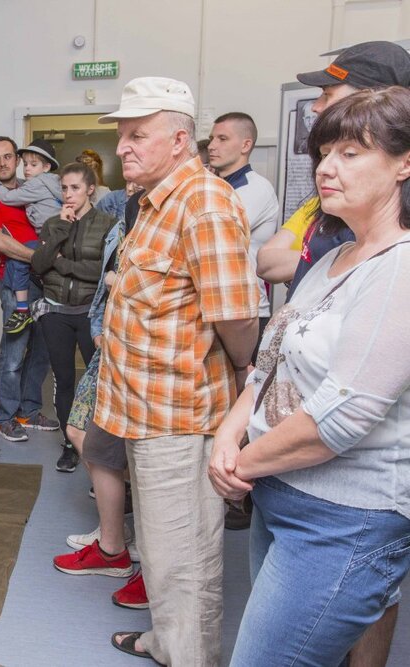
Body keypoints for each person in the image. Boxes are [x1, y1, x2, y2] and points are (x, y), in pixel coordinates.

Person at [210, 87, 410, 667]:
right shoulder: (331, 259)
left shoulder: (399, 269)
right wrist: (229, 433)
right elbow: (268, 367)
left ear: (404, 163)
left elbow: (341, 419)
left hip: (346, 520)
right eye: (324, 152)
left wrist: (239, 464)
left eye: (351, 152)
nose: (326, 167)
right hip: (282, 492)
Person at [94, 77, 259, 665]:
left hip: (179, 417)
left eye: (138, 135)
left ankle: (188, 655)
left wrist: (243, 379)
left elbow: (236, 317)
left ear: (180, 139)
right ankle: (165, 641)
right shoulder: (156, 199)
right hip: (144, 410)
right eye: (122, 136)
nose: (124, 149)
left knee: (183, 561)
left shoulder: (204, 203)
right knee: (161, 552)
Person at [54, 190, 148, 610]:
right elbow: (102, 286)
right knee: (84, 433)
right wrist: (97, 325)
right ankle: (113, 540)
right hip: (109, 343)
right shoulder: (122, 220)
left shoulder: (188, 213)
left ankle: (127, 546)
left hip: (142, 355)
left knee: (137, 455)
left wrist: (118, 281)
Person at [258, 41, 410, 297]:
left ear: (372, 99)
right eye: (325, 154)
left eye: (328, 94)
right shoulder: (335, 201)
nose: (316, 106)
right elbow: (267, 261)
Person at [29, 161, 112, 462]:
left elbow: (103, 272)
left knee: (96, 383)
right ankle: (69, 443)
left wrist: (62, 264)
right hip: (56, 314)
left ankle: (96, 445)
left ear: (90, 189)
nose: (68, 194)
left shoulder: (108, 224)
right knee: (63, 380)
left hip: (91, 314)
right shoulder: (54, 224)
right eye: (64, 187)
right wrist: (62, 229)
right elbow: (38, 266)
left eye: (75, 187)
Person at [0, 136, 56, 443]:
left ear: (17, 159)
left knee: (41, 352)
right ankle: (5, 418)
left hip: (46, 281)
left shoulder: (31, 187)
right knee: (13, 355)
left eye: (8, 156)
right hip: (15, 282)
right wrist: (40, 256)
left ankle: (29, 411)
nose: (3, 163)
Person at [207, 112, 279, 353]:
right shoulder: (213, 185)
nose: (212, 145)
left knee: (241, 387)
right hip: (214, 306)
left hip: (246, 312)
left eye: (222, 139)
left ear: (245, 145)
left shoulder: (256, 188)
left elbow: (214, 234)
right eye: (212, 138)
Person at [0, 139, 62, 334]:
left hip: (47, 244)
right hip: (45, 250)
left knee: (42, 347)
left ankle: (22, 311)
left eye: (8, 157)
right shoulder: (52, 183)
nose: (27, 169)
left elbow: (8, 197)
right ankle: (23, 310)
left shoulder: (33, 185)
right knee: (20, 351)